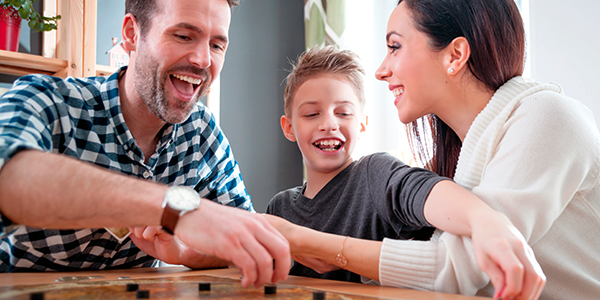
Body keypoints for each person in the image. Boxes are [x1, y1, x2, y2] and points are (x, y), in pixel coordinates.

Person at [266, 0, 600, 299]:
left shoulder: (546, 116)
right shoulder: (454, 159)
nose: (382, 71)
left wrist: (303, 240)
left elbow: (454, 271)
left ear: (455, 55)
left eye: (395, 46)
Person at [0, 0, 290, 288]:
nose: (203, 60)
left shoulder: (202, 131)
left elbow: (239, 236)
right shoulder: (47, 100)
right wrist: (175, 208)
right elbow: (8, 173)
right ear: (131, 34)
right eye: (184, 36)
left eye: (216, 45)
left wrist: (185, 250)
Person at [266, 45, 544, 293]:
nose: (329, 124)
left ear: (362, 124)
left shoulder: (374, 173)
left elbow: (427, 191)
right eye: (312, 114)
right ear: (289, 127)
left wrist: (483, 219)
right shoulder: (279, 208)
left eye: (343, 113)